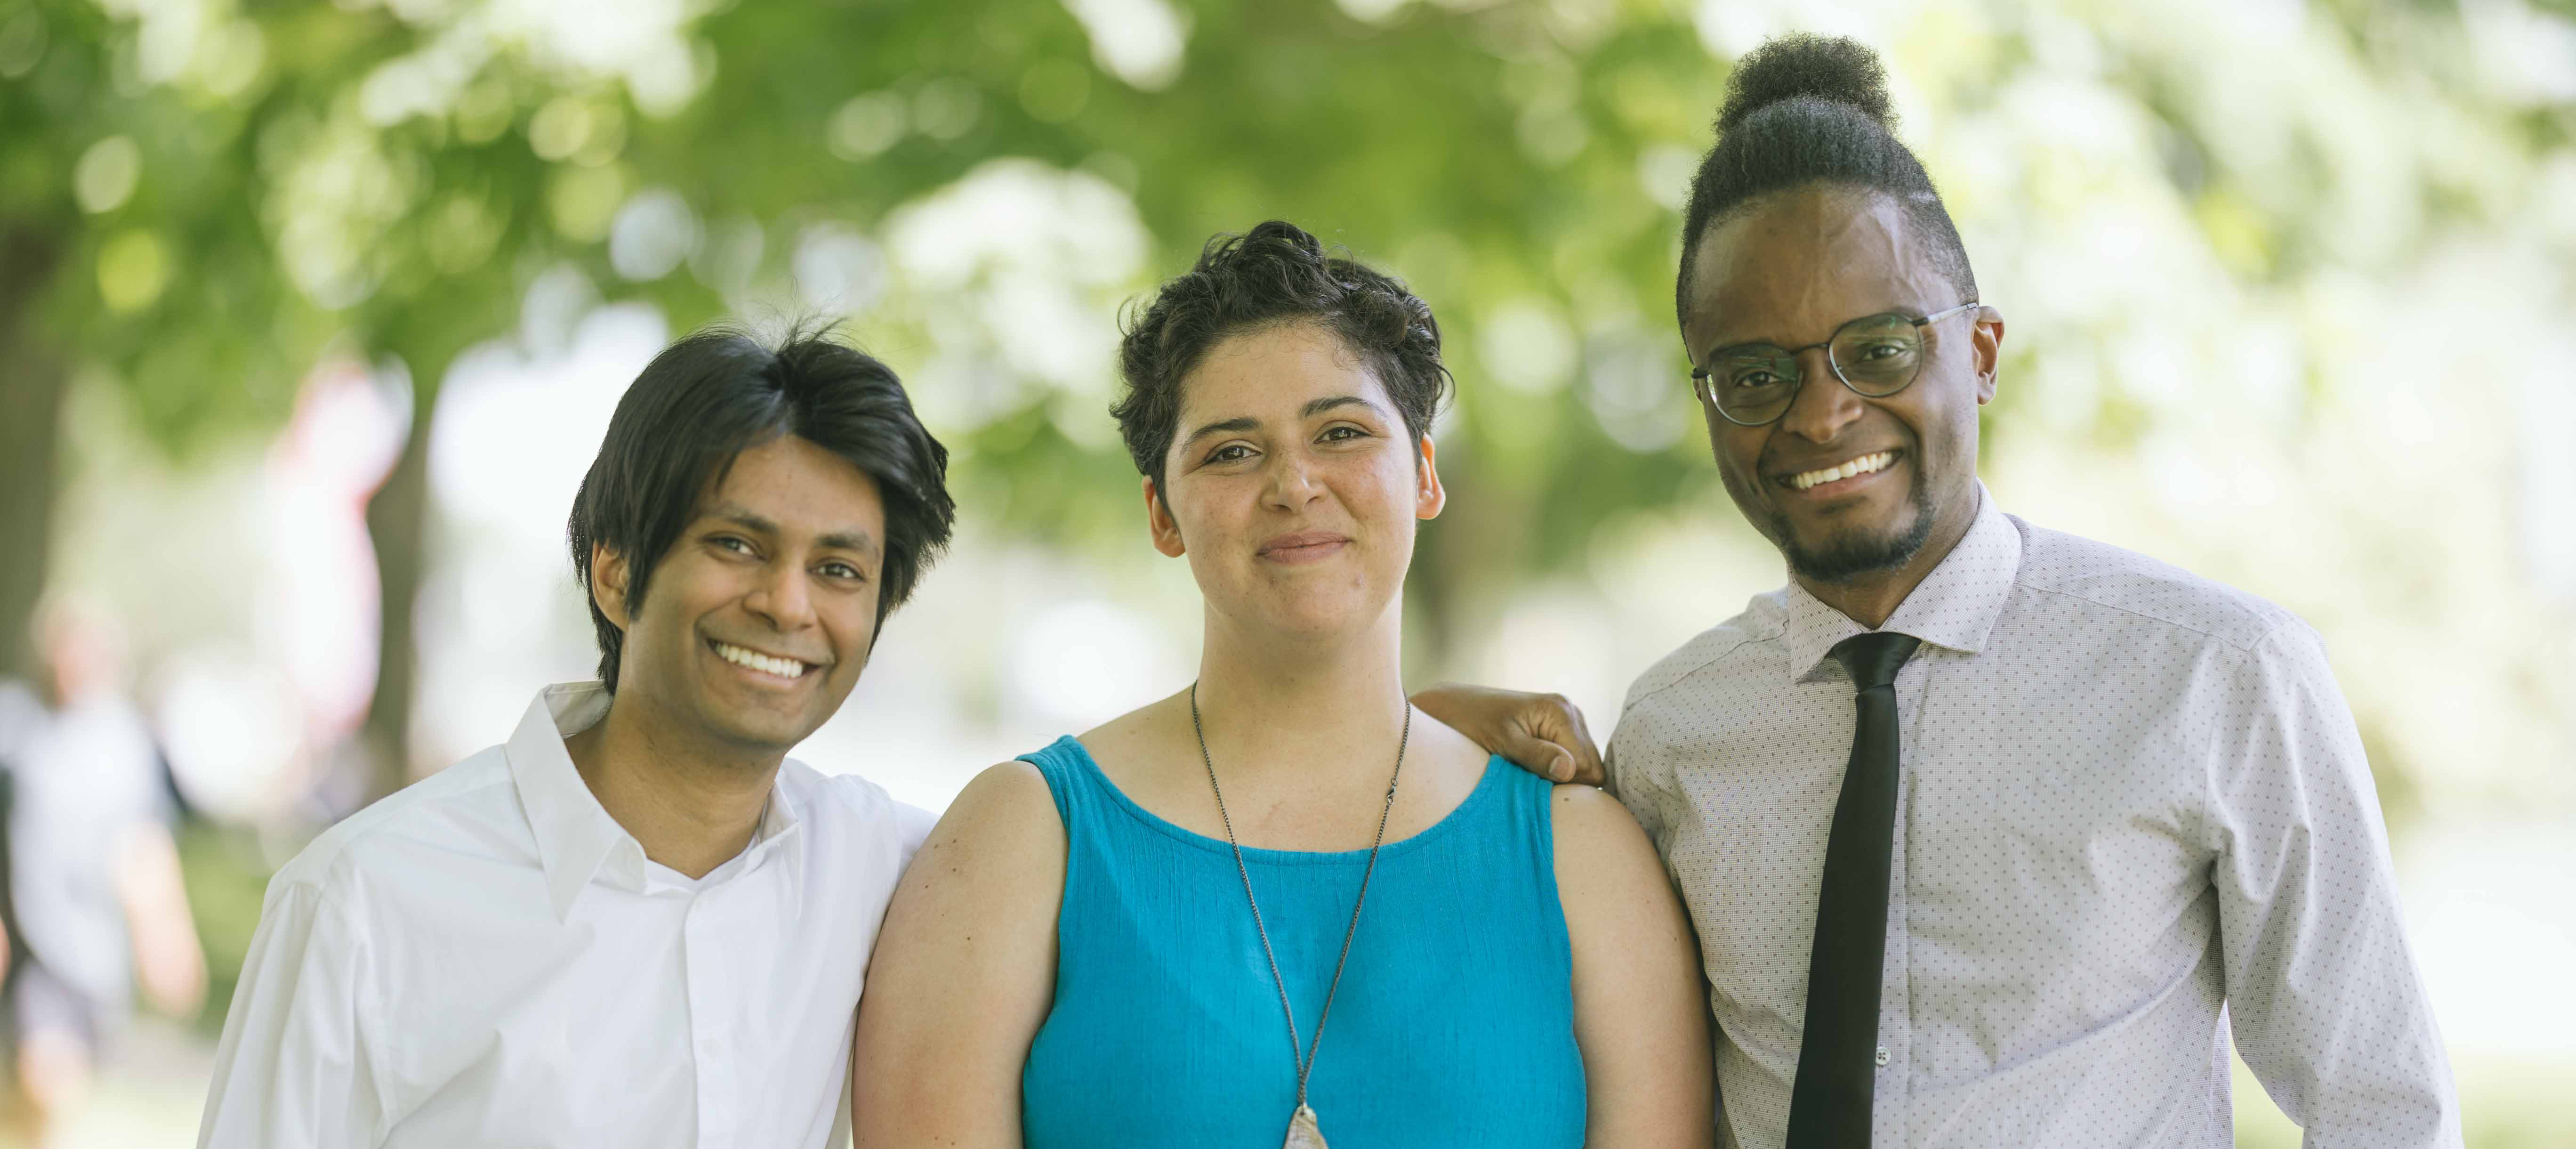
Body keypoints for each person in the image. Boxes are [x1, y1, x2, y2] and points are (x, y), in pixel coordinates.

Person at [195, 321, 1621, 1148]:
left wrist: (1438, 722)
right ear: (617, 572)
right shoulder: (373, 903)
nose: (787, 606)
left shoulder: (882, 866)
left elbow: (1254, 779)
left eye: (841, 570)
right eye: (735, 546)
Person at [1435, 33, 2461, 1149]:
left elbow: (2381, 1109)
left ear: (1976, 350)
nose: (1819, 414)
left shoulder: (2217, 674)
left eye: (1874, 350)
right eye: (1753, 374)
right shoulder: (1673, 731)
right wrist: (1438, 718)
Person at [851, 221, 1714, 1149]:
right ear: (1162, 512)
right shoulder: (1020, 837)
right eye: (1231, 450)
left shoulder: (1582, 853)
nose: (1295, 484)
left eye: (1341, 432)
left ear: (1423, 472)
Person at [0, 599, 206, 1148]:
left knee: (50, 1098)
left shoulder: (125, 744)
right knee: (47, 1079)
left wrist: (169, 941)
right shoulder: (17, 728)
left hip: (94, 953)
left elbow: (145, 847)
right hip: (30, 945)